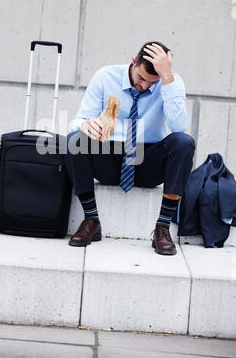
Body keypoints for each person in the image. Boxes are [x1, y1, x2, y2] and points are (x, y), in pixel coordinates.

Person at [65, 42, 195, 255]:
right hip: (110, 157)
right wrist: (85, 125)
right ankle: (91, 220)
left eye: (151, 83)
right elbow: (78, 119)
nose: (144, 86)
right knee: (75, 140)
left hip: (148, 162)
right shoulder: (106, 76)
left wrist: (166, 79)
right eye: (141, 78)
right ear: (133, 62)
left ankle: (162, 227)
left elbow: (180, 127)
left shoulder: (170, 82)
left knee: (183, 142)